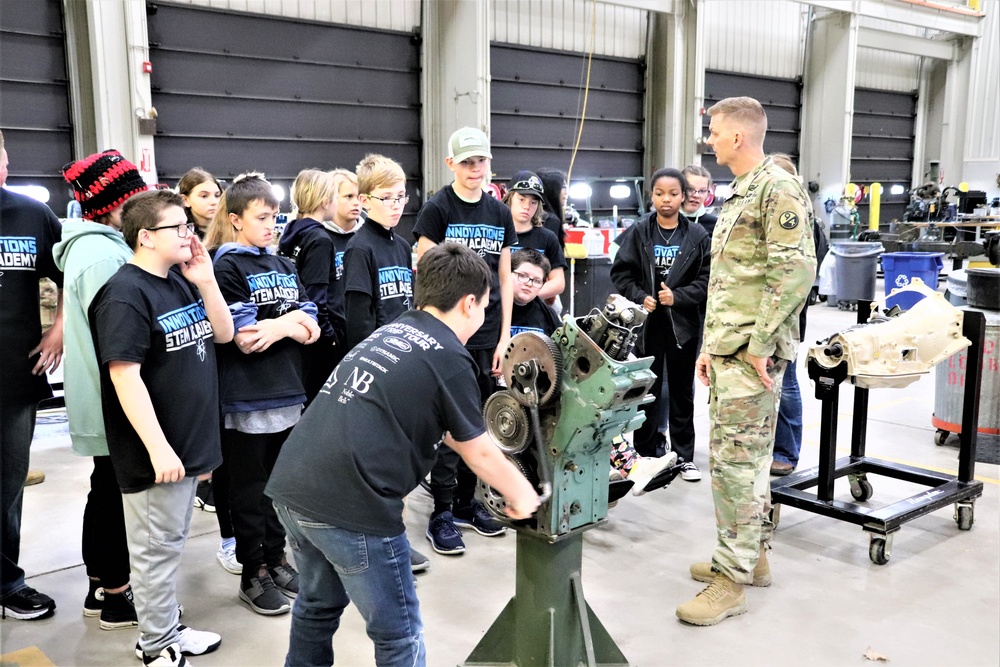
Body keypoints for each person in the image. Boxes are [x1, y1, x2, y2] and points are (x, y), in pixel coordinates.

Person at [266, 242, 540, 667]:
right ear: (469, 303)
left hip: (294, 487)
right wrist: (524, 495)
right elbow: (480, 453)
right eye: (486, 306)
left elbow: (420, 416)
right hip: (353, 506)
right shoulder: (450, 356)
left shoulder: (391, 331)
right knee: (398, 635)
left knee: (316, 607)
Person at [679, 97, 815, 626]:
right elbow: (734, 281)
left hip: (751, 355)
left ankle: (730, 582)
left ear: (738, 137)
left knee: (736, 466)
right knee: (746, 461)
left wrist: (757, 344)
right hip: (730, 351)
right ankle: (748, 556)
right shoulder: (742, 192)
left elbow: (796, 271)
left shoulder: (776, 188)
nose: (709, 140)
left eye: (714, 132)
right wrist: (713, 348)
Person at [89, 189, 234, 665]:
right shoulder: (125, 294)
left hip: (189, 443)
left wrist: (207, 282)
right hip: (156, 453)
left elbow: (224, 333)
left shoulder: (178, 281)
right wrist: (159, 449)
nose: (190, 235)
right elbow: (124, 375)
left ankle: (166, 629)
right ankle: (155, 647)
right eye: (180, 228)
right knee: (154, 553)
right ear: (146, 236)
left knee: (168, 549)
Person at [207, 173, 321, 616]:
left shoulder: (285, 266)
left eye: (275, 216)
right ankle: (252, 569)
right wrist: (287, 324)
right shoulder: (227, 266)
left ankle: (276, 558)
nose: (272, 224)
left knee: (279, 487)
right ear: (235, 220)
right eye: (262, 217)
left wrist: (283, 326)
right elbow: (244, 337)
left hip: (289, 391)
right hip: (248, 398)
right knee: (249, 489)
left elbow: (311, 327)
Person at [413, 127, 517, 555]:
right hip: (449, 334)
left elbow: (506, 276)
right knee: (447, 424)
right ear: (451, 164)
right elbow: (425, 271)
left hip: (488, 332)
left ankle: (465, 503)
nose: (476, 169)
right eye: (468, 162)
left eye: (482, 162)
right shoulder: (437, 209)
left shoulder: (499, 212)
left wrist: (505, 334)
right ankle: (440, 510)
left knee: (481, 421)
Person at [55, 150, 147, 629]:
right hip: (112, 400)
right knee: (115, 496)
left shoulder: (104, 247)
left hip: (110, 397)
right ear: (117, 202)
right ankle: (115, 594)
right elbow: (119, 339)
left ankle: (102, 587)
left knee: (107, 489)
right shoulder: (100, 256)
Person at [510, 249, 676, 497]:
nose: (528, 283)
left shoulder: (544, 312)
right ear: (508, 274)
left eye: (535, 280)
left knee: (595, 405)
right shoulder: (496, 310)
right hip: (510, 389)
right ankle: (606, 469)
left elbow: (561, 347)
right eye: (522, 276)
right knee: (577, 409)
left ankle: (617, 467)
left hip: (542, 387)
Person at [610, 168, 710, 482]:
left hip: (683, 327)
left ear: (684, 197)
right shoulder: (639, 231)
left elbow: (707, 282)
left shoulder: (697, 236)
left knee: (682, 393)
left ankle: (684, 458)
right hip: (647, 327)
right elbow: (621, 274)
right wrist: (641, 296)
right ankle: (645, 455)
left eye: (673, 194)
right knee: (647, 391)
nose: (666, 200)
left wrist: (677, 298)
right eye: (659, 193)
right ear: (651, 195)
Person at [0, 129, 64, 621]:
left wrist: (59, 329)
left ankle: (7, 582)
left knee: (7, 484)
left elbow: (67, 273)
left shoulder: (30, 214)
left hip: (11, 377)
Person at [768, 153, 828, 476]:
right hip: (759, 320)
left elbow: (801, 272)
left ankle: (787, 453)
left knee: (787, 385)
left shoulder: (803, 220)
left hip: (787, 322)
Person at [278, 168, 360, 400]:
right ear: (326, 201)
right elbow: (316, 297)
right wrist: (331, 337)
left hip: (300, 331)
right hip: (320, 339)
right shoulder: (320, 240)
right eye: (338, 197)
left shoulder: (292, 231)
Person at [342, 154, 413, 349]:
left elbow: (408, 302)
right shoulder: (360, 249)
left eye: (400, 196)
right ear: (365, 201)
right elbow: (358, 321)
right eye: (386, 198)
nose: (396, 205)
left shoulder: (403, 247)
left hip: (405, 348)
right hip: (377, 352)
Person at [503, 170, 566, 303]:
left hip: (533, 310)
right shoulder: (496, 235)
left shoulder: (548, 238)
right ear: (509, 198)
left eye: (533, 202)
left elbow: (558, 281)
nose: (526, 206)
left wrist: (528, 295)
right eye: (521, 199)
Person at [177, 168, 223, 238]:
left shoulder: (230, 229)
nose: (214, 202)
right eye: (204, 196)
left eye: (217, 195)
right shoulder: (180, 234)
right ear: (185, 200)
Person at [680, 165, 718, 238]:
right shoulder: (661, 220)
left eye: (702, 191)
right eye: (690, 189)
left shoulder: (715, 225)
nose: (696, 195)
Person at [536, 168, 568, 249]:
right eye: (563, 187)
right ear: (552, 190)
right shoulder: (551, 220)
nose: (566, 192)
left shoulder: (537, 216)